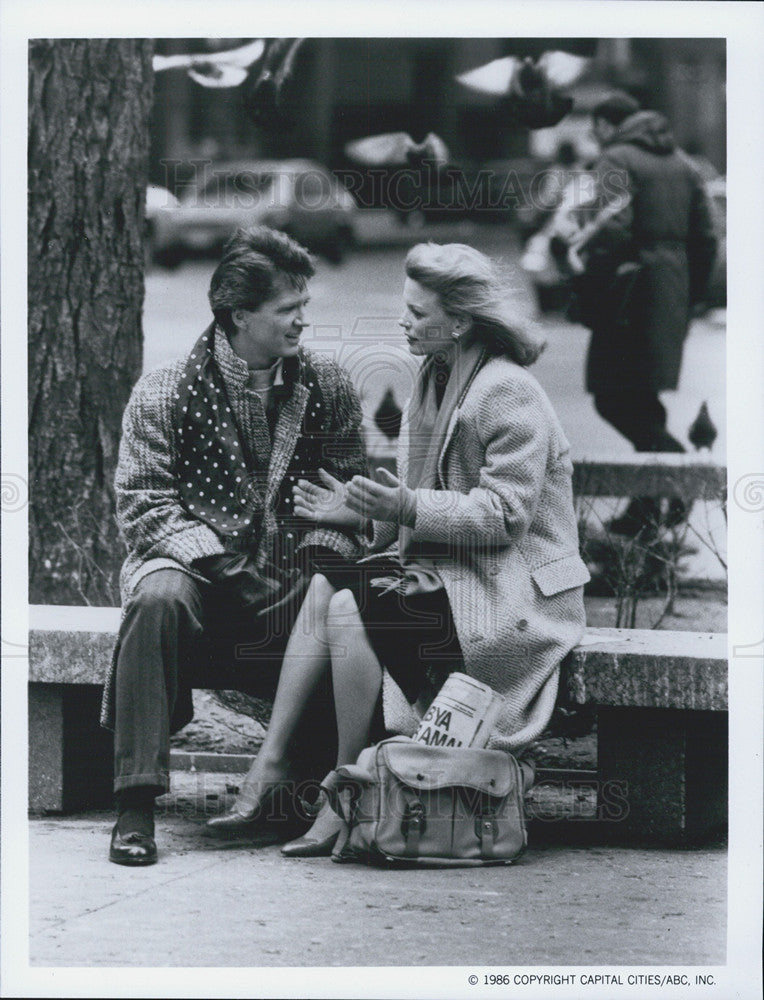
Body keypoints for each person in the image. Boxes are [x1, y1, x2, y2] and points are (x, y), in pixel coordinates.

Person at [207, 241, 590, 856]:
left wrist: (401, 507)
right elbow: (414, 510)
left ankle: (330, 785)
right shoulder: (434, 380)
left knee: (343, 599)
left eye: (417, 312)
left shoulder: (505, 390)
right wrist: (359, 514)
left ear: (459, 323)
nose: (404, 322)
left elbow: (504, 516)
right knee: (333, 588)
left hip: (512, 596)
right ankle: (315, 775)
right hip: (457, 577)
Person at [102, 226, 367, 866]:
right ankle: (135, 807)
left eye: (304, 305)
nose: (303, 321)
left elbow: (349, 502)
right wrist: (224, 564)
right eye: (287, 309)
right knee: (157, 598)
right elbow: (142, 504)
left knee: (341, 600)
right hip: (199, 584)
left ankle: (304, 790)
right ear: (239, 314)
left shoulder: (326, 386)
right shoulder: (164, 390)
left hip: (291, 590)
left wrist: (317, 553)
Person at [573, 93, 718, 535]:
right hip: (670, 289)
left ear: (604, 124)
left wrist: (587, 278)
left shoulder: (615, 157)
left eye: (594, 126)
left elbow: (610, 228)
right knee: (640, 396)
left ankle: (675, 473)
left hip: (628, 290)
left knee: (612, 394)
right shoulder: (684, 163)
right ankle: (647, 507)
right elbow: (708, 237)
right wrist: (686, 293)